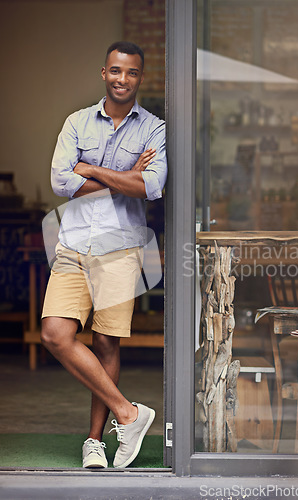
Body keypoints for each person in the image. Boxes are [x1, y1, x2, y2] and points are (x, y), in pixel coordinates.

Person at [40, 41, 167, 469]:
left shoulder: (154, 128)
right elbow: (60, 181)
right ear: (104, 73)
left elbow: (151, 186)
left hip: (121, 247)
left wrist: (91, 169)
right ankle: (129, 414)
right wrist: (124, 176)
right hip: (73, 242)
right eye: (116, 71)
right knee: (56, 334)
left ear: (140, 78)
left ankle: (95, 442)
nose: (122, 79)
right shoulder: (77, 122)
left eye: (131, 73)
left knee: (106, 342)